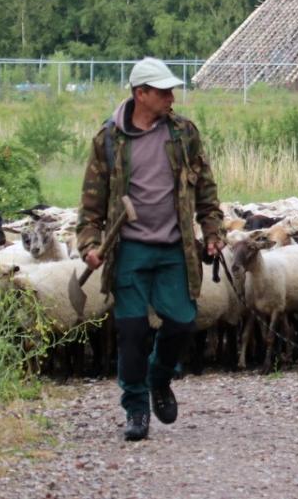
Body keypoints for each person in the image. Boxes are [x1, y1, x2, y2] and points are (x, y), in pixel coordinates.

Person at [76, 57, 224, 441]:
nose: (171, 97)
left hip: (176, 248)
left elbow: (206, 188)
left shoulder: (183, 134)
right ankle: (136, 408)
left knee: (182, 321)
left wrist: (212, 230)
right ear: (141, 94)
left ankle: (159, 377)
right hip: (129, 251)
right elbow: (91, 206)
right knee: (131, 331)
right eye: (163, 91)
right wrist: (90, 245)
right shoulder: (107, 141)